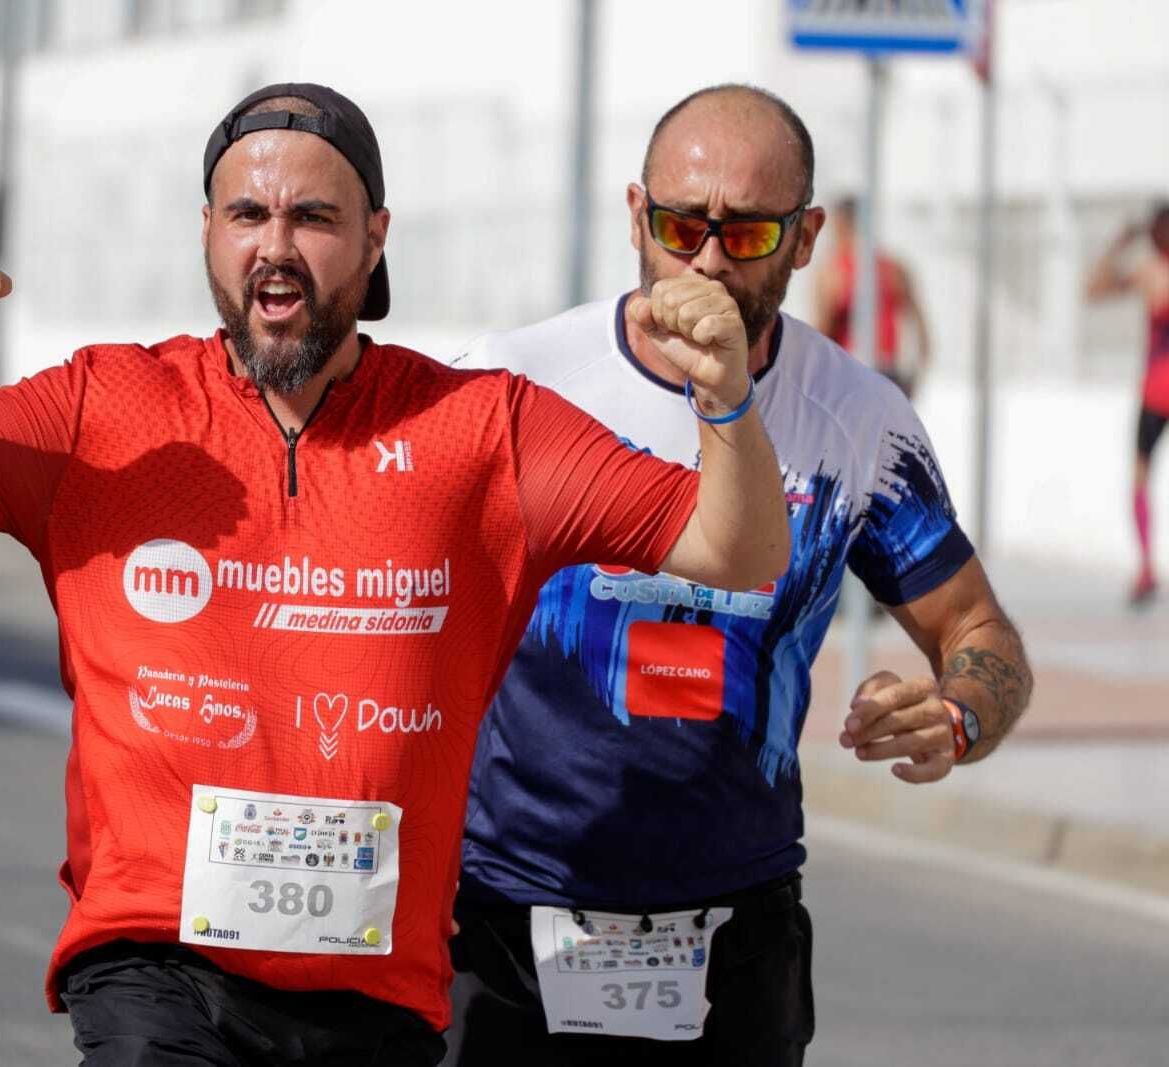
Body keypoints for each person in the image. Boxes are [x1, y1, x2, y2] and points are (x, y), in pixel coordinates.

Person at [0, 82, 790, 1066]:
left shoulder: (485, 428)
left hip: (377, 986)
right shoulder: (103, 407)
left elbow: (735, 551)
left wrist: (725, 399)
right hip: (156, 961)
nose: (275, 245)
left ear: (374, 236)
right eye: (247, 214)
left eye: (314, 216)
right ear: (207, 233)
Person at [445, 84, 1033, 1067]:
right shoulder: (511, 383)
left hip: (733, 925)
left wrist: (961, 710)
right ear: (636, 215)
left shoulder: (855, 419)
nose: (708, 261)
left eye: (748, 236)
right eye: (680, 226)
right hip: (509, 908)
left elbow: (975, 626)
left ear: (805, 239)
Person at [1085, 204, 1169, 607]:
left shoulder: (1152, 273)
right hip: (1155, 392)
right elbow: (1094, 289)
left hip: (1156, 390)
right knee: (1139, 476)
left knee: (1140, 476)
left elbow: (1094, 288)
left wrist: (1121, 245)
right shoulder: (1150, 271)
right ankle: (1147, 567)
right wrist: (1120, 246)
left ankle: (1147, 567)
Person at [813, 196, 931, 398]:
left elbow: (823, 329)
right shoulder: (894, 267)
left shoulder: (834, 271)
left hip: (850, 374)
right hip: (886, 372)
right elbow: (922, 333)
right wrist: (916, 376)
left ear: (842, 224)